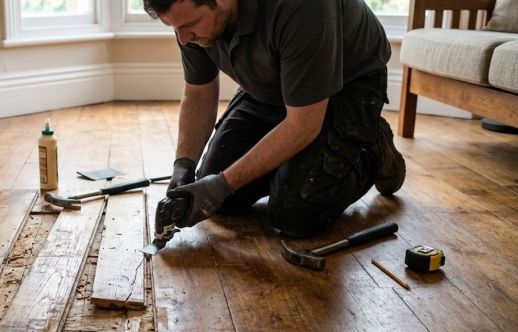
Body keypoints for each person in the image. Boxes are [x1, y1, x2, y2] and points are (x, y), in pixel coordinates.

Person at [144, 0, 406, 237]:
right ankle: (298, 163)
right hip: (273, 84)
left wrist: (223, 183)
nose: (183, 37)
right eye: (173, 27)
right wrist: (184, 166)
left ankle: (371, 150)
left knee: (295, 212)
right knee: (217, 199)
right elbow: (198, 92)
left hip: (345, 86)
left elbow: (303, 125)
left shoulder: (301, 7)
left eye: (189, 25)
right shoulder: (188, 21)